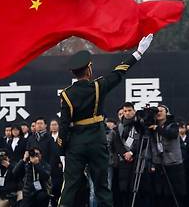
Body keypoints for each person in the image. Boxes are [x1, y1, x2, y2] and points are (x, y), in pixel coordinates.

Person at [57, 34, 154, 207]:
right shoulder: (97, 86)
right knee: (102, 186)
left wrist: (62, 147)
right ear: (89, 70)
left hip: (76, 145)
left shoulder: (66, 94)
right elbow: (119, 71)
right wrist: (138, 53)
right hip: (97, 141)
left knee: (70, 186)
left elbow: (64, 126)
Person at [147, 105, 185, 207]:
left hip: (173, 163)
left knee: (174, 192)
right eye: (157, 111)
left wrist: (157, 128)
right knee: (160, 192)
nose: (159, 112)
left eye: (161, 111)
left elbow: (171, 134)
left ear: (167, 113)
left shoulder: (173, 124)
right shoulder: (152, 126)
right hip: (159, 162)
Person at [113, 101, 143, 207]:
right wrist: (124, 153)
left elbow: (141, 140)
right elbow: (117, 142)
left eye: (129, 110)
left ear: (134, 111)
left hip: (137, 159)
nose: (127, 113)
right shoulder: (120, 125)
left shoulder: (140, 124)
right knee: (123, 187)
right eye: (125, 111)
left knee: (134, 187)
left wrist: (131, 152)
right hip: (123, 160)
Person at [48, 119, 64, 206]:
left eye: (55, 125)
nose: (53, 126)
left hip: (59, 165)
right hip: (49, 165)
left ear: (58, 126)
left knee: (59, 185)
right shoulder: (48, 138)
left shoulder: (61, 137)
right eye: (52, 125)